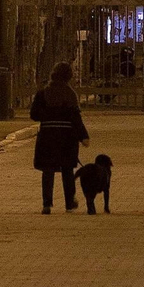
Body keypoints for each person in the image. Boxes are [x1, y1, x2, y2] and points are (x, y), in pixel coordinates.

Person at [30, 61, 88, 214]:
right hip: (67, 137)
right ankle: (69, 203)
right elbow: (76, 118)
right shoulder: (70, 94)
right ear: (69, 76)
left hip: (48, 135)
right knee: (67, 170)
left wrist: (47, 116)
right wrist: (83, 137)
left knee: (47, 170)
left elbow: (34, 115)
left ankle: (47, 204)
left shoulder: (43, 93)